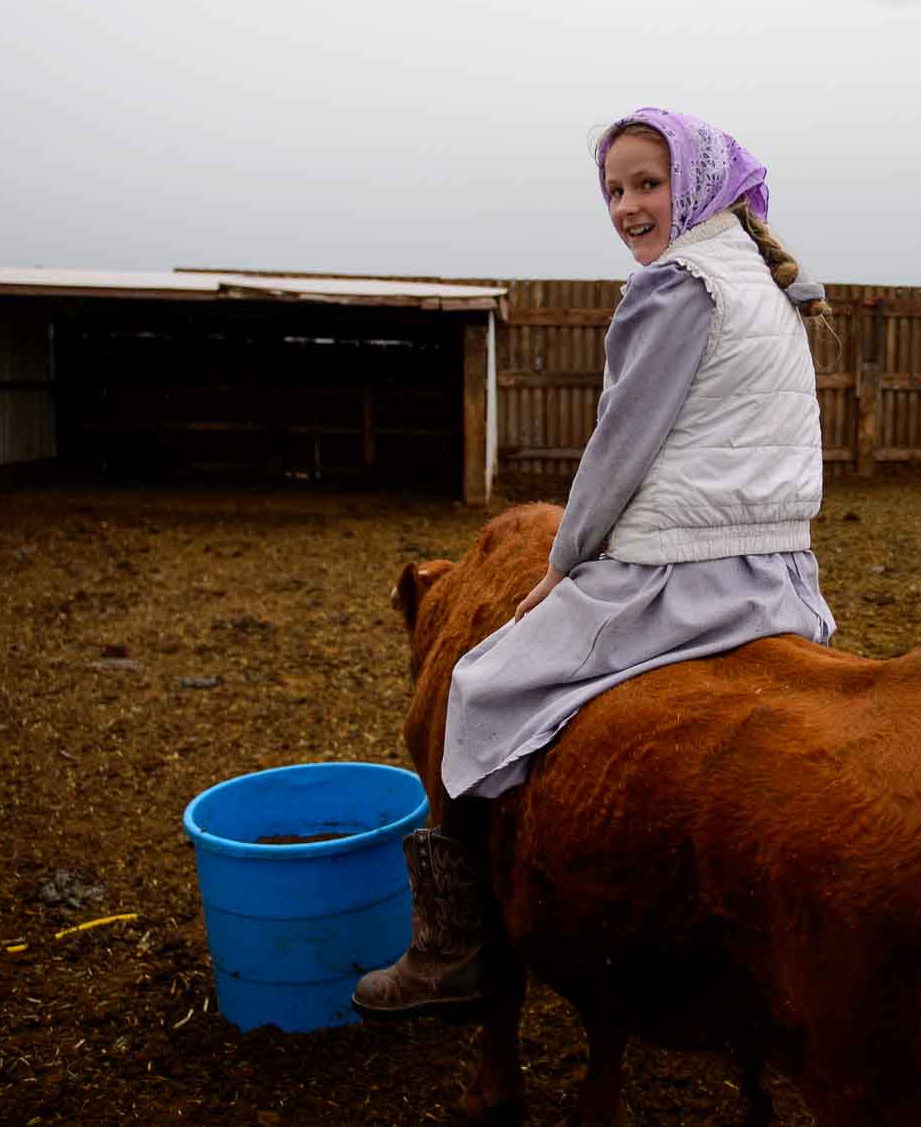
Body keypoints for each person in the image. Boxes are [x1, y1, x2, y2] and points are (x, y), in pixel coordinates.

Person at [354, 107, 837, 1019]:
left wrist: (565, 560)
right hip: (778, 577)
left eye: (646, 184)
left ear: (693, 188)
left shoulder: (675, 287)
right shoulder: (767, 286)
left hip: (676, 575)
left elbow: (620, 446)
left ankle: (449, 948)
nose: (626, 206)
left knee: (475, 687)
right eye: (613, 190)